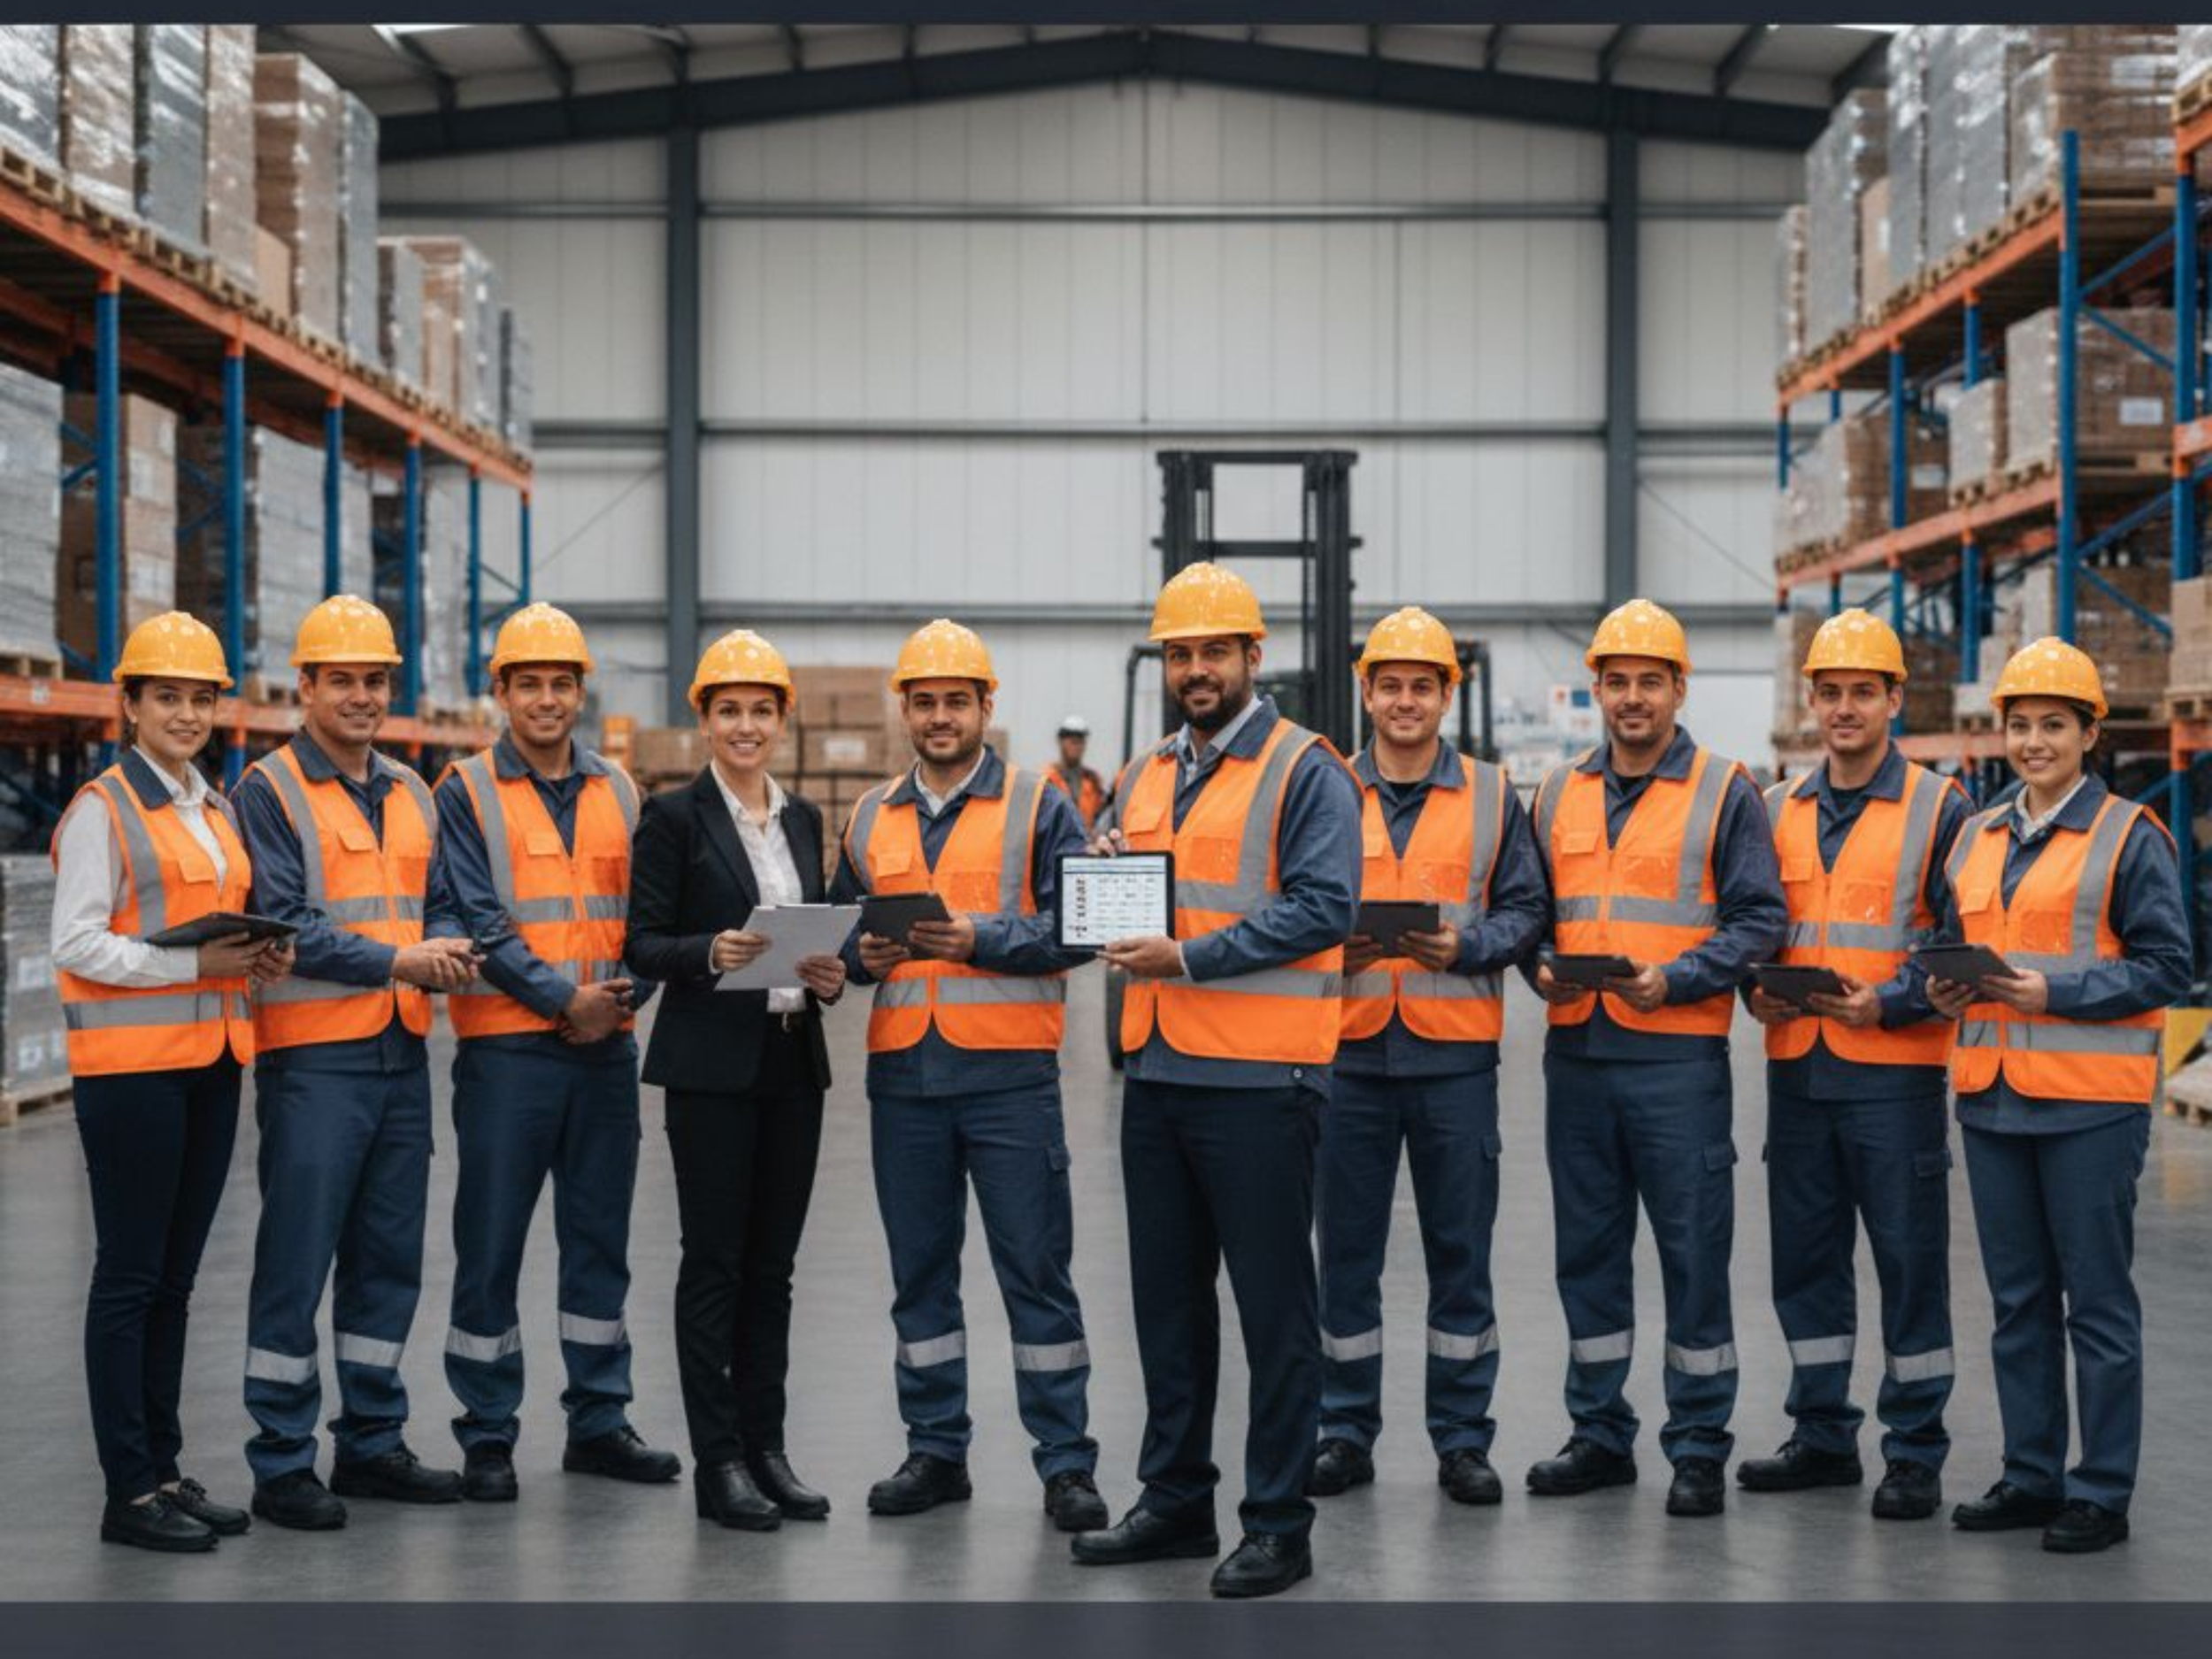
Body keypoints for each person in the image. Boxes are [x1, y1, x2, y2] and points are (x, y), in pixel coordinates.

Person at [1071, 562, 1361, 1599]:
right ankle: (1176, 1501)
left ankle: (1279, 1521)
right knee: (1167, 1307)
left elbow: (1324, 907)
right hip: (1157, 1073)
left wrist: (1184, 955)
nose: (1195, 669)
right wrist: (1109, 870)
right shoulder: (1148, 771)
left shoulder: (1306, 768)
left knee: (1274, 1313)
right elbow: (1147, 890)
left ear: (1253, 654)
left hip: (1260, 1080)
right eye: (1179, 653)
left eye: (1212, 652)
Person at [831, 619, 1107, 1534]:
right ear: (903, 709)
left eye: (957, 700)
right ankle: (935, 1450)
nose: (940, 715)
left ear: (987, 707)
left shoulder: (1041, 803)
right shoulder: (871, 815)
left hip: (1008, 1080)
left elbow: (1082, 928)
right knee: (920, 1277)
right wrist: (863, 955)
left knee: (1035, 1272)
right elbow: (841, 943)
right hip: (903, 1078)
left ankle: (1065, 1463)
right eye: (925, 701)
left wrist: (981, 939)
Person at [1524, 597, 1785, 1518]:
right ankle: (1598, 1432)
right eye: (1616, 681)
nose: (1631, 698)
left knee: (1691, 1254)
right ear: (1595, 687)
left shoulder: (1726, 790)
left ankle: (1697, 1443)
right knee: (1587, 1254)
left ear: (1679, 688)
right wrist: (1540, 973)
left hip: (1676, 1060)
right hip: (1579, 1059)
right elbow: (1531, 916)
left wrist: (1672, 980)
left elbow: (1759, 919)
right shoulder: (1557, 793)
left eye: (1649, 681)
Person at [1926, 638, 2188, 1555]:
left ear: (2088, 734)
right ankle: (2031, 1473)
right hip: (1993, 1097)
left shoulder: (2128, 835)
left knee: (2098, 1303)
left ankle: (2100, 1490)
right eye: (2019, 725)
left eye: (2052, 725)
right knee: (2018, 1299)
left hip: (2088, 1104)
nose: (2033, 742)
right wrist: (1944, 990)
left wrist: (2057, 993)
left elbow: (2168, 967)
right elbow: (1959, 944)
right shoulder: (1977, 834)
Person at [232, 595, 483, 1531]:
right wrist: (400, 960)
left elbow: (446, 899)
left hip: (400, 1054)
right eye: (342, 679)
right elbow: (286, 924)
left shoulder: (414, 792)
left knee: (386, 1260)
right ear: (305, 686)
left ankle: (372, 1441)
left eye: (375, 680)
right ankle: (282, 1459)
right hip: (313, 1062)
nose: (362, 696)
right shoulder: (271, 789)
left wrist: (446, 945)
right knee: (297, 1262)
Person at [51, 613, 294, 1552]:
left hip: (212, 1061)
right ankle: (127, 1493)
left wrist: (252, 961)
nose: (187, 713)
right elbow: (75, 942)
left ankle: (163, 1469)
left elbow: (208, 929)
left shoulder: (214, 806)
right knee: (129, 1278)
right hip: (131, 1076)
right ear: (131, 705)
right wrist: (196, 969)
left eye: (201, 698)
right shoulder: (99, 811)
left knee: (175, 1283)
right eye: (168, 697)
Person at [429, 603, 680, 1503]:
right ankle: (488, 1432)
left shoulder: (620, 789)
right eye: (528, 682)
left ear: (580, 692)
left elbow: (649, 920)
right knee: (490, 1246)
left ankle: (600, 1419)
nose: (546, 698)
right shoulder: (461, 791)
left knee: (598, 1244)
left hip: (604, 1055)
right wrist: (562, 1001)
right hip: (507, 1055)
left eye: (560, 683)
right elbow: (476, 920)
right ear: (499, 692)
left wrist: (615, 1004)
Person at [1307, 608, 1546, 1510]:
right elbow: (1287, 906)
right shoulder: (1321, 786)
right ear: (1366, 691)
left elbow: (1526, 911)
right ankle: (1343, 1431)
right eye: (1390, 684)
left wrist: (1472, 946)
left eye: (1423, 685)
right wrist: (1338, 951)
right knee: (1346, 1259)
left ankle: (1460, 1439)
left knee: (1460, 1254)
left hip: (1453, 1060)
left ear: (1450, 694)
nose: (1405, 701)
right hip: (1349, 1056)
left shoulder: (1492, 794)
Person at [1741, 610, 1970, 1522]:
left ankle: (1912, 1450)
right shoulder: (1774, 808)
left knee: (1909, 1263)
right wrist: (1751, 993)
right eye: (1829, 693)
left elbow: (1959, 940)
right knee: (1805, 1262)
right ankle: (1822, 1433)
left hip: (1894, 1073)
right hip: (1796, 1070)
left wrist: (1894, 1000)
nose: (1844, 709)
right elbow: (1755, 927)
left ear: (1892, 701)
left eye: (1861, 693)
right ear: (1812, 702)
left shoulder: (1939, 806)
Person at [623, 628, 847, 1531]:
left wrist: (826, 973)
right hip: (710, 1069)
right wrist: (707, 951)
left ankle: (768, 1449)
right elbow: (641, 944)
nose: (746, 726)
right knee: (714, 1265)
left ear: (781, 719)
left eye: (761, 710)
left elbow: (807, 933)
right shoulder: (673, 819)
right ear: (705, 721)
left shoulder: (800, 820)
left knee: (774, 1268)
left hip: (792, 1058)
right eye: (730, 711)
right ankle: (719, 1462)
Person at [1046, 715, 1107, 830]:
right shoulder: (1047, 778)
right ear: (1060, 742)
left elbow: (1101, 816)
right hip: (1056, 845)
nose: (1076, 746)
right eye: (1072, 741)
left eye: (1080, 741)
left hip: (1086, 844)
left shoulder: (1094, 780)